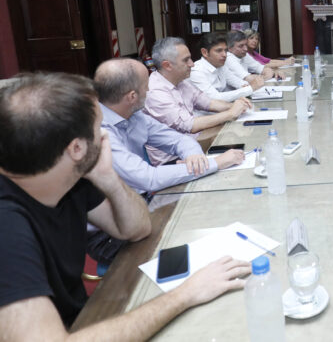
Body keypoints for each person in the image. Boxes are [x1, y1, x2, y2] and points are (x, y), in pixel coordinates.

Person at [0, 73, 250, 339]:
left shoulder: (71, 179)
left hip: (82, 320)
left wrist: (107, 177)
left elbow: (137, 228)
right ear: (76, 149)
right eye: (99, 127)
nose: (106, 135)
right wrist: (185, 294)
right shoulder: (7, 226)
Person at [92, 58, 245, 264]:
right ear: (132, 96)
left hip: (143, 201)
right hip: (110, 230)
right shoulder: (99, 130)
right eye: (146, 86)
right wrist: (216, 163)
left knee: (211, 216)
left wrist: (193, 157)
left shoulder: (134, 115)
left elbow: (179, 140)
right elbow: (148, 178)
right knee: (193, 245)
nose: (150, 90)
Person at [145, 37, 252, 165]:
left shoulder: (181, 82)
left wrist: (236, 105)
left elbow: (209, 103)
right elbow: (190, 125)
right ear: (167, 65)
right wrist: (230, 113)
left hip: (196, 145)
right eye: (186, 60)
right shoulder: (155, 92)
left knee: (247, 145)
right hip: (174, 160)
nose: (192, 64)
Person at [189, 32, 254, 102]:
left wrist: (247, 87)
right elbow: (214, 98)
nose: (224, 55)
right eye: (219, 51)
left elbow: (238, 82)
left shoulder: (221, 66)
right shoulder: (196, 71)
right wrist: (249, 89)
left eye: (225, 50)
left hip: (224, 106)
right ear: (205, 52)